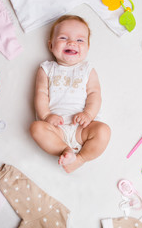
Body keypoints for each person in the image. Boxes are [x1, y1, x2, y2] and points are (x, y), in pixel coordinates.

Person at [30, 15, 111, 173]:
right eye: (63, 37)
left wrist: (88, 114)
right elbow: (40, 94)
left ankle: (79, 159)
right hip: (55, 128)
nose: (72, 43)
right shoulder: (46, 69)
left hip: (82, 128)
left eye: (80, 40)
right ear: (51, 45)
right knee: (36, 128)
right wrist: (46, 116)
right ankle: (65, 150)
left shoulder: (87, 69)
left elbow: (95, 94)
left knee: (104, 131)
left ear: (87, 47)